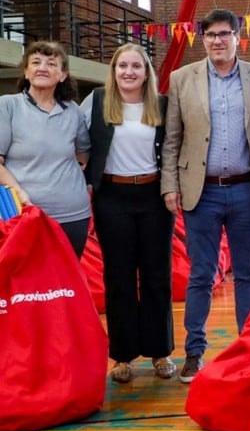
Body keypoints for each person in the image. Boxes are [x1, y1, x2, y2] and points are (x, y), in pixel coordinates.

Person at [161, 8, 250, 383]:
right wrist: (169, 184)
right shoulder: (182, 79)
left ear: (238, 37)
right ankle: (194, 351)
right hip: (200, 194)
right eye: (210, 35)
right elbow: (171, 141)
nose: (217, 41)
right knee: (201, 274)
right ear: (202, 39)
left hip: (246, 192)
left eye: (224, 34)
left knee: (248, 273)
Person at [81, 43, 176, 384]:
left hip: (153, 197)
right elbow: (77, 142)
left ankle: (160, 351)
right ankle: (122, 356)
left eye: (136, 66)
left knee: (156, 275)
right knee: (119, 278)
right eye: (123, 66)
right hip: (112, 197)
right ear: (114, 69)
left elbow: (174, 147)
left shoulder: (162, 105)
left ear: (146, 72)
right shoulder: (95, 102)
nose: (129, 72)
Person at [0, 41, 90, 257]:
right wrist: (20, 194)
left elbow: (83, 153)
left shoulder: (74, 111)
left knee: (66, 284)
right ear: (26, 71)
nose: (42, 68)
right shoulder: (8, 106)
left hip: (73, 215)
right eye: (36, 62)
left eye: (51, 63)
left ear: (62, 74)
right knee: (26, 286)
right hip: (23, 214)